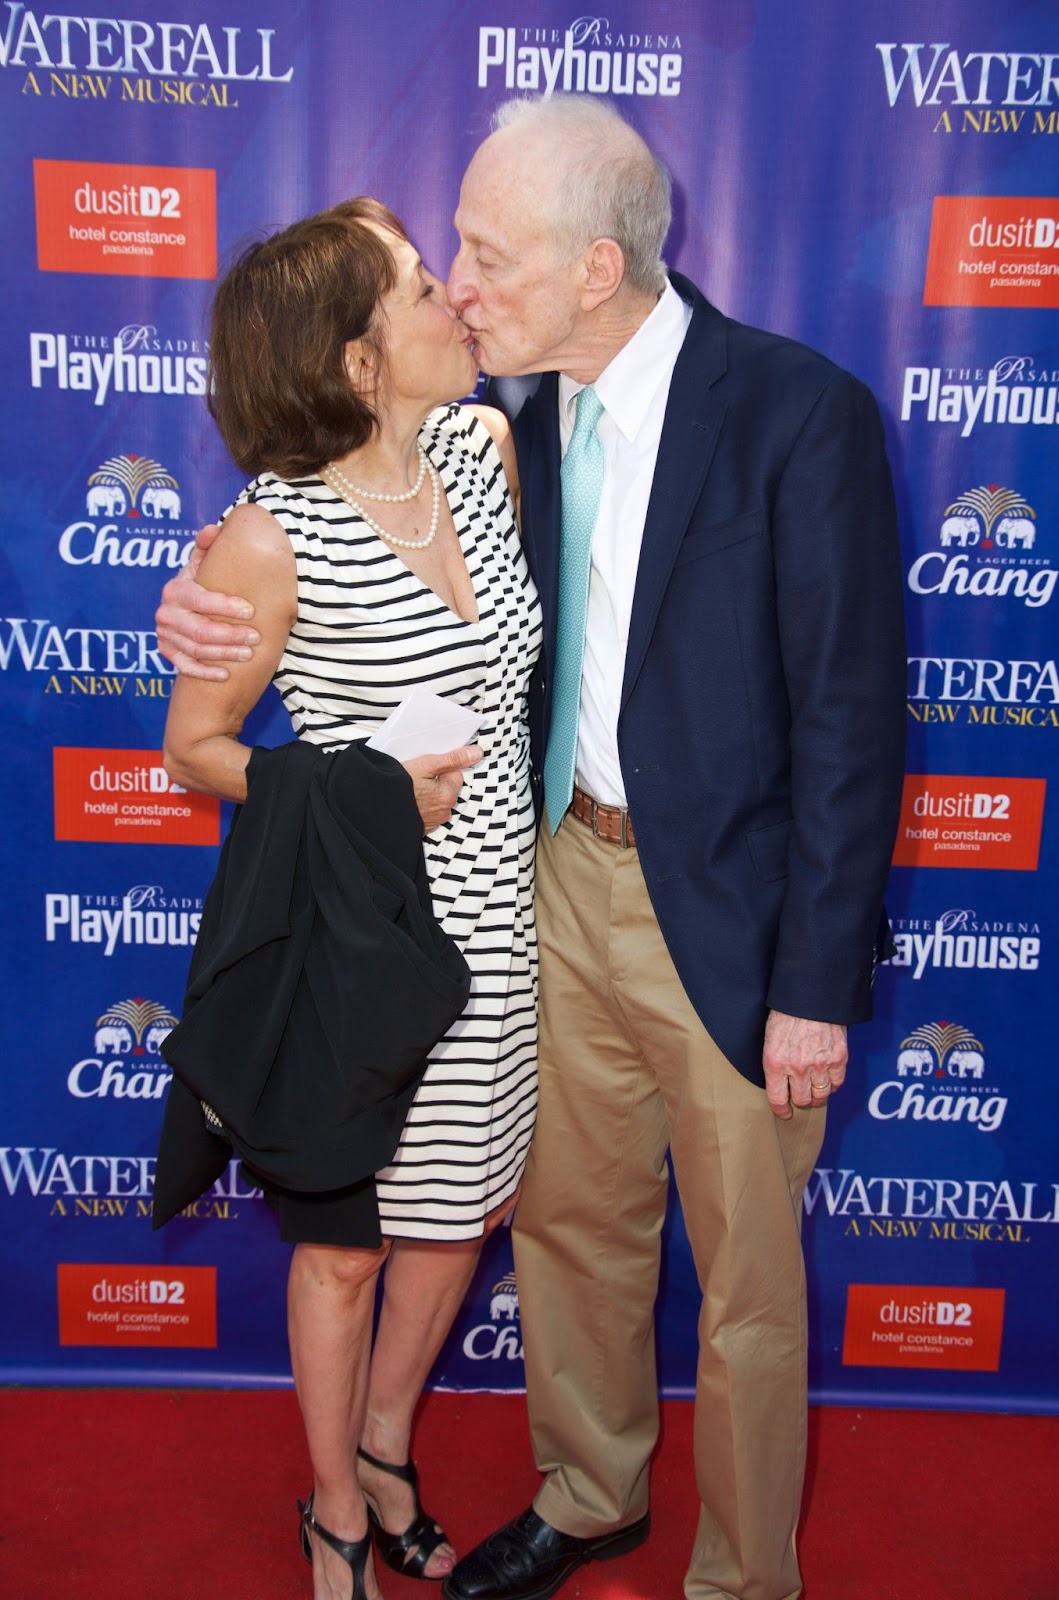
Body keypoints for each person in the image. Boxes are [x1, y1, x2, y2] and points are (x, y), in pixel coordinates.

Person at [156, 95, 906, 1600]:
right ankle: (587, 1492)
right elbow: (309, 533)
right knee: (567, 1232)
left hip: (734, 922)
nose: (461, 281)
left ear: (592, 267)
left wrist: (812, 983)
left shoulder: (790, 409)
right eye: (448, 263)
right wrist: (196, 598)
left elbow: (847, 717)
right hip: (544, 886)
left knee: (748, 1289)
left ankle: (744, 1577)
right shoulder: (510, 424)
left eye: (485, 256)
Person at [155, 197, 542, 1600]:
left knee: (461, 1213)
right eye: (426, 288)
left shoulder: (482, 447)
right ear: (358, 359)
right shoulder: (267, 539)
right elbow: (192, 748)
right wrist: (343, 794)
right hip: (355, 931)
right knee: (344, 1251)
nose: (458, 304)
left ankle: (385, 1443)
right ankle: (331, 1508)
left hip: (501, 920)